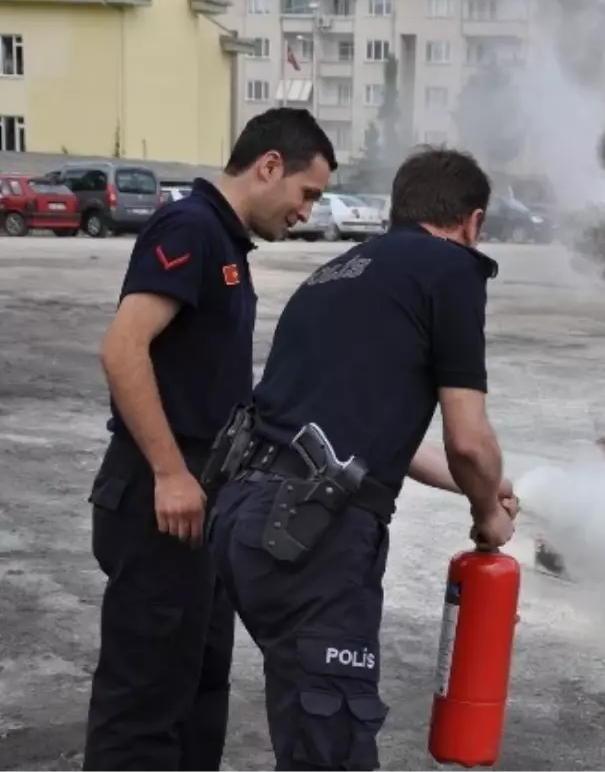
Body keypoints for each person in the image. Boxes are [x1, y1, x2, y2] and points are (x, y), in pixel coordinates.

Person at [205, 146, 517, 771]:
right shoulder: (451, 270)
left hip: (246, 521)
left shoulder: (339, 273)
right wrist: (488, 513)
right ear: (472, 223)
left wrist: (473, 486)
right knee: (334, 746)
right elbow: (467, 437)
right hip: (311, 538)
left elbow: (363, 435)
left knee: (307, 727)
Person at [83, 108, 337, 772]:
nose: (306, 212)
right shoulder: (190, 228)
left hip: (203, 504)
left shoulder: (226, 244)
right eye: (306, 193)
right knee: (143, 706)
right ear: (270, 165)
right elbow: (123, 347)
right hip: (157, 499)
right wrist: (170, 472)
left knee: (199, 693)